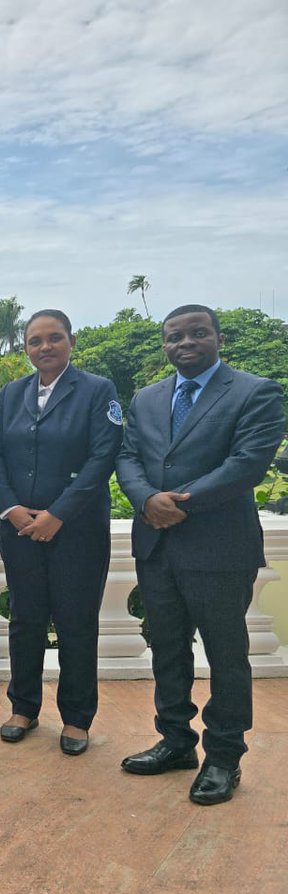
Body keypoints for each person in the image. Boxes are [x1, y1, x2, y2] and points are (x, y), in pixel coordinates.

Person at [117, 304, 284, 805]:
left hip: (218, 547)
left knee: (226, 655)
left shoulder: (255, 392)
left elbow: (247, 464)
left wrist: (177, 503)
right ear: (164, 344)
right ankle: (175, 741)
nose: (185, 343)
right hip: (155, 543)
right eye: (174, 337)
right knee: (166, 648)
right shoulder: (147, 398)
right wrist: (146, 499)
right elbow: (126, 456)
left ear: (218, 338)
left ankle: (224, 757)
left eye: (197, 333)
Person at [0, 310, 123, 755]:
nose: (44, 347)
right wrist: (11, 509)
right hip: (20, 528)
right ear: (25, 347)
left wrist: (57, 514)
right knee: (24, 620)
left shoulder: (98, 390)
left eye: (54, 338)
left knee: (76, 622)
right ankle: (23, 707)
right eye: (34, 340)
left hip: (77, 530)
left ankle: (77, 718)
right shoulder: (11, 393)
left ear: (71, 341)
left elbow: (104, 457)